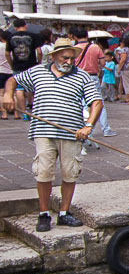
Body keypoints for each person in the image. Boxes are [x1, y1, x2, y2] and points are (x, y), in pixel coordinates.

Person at [2, 38, 102, 232]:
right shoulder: (38, 71)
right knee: (43, 172)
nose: (69, 62)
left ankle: (64, 213)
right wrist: (8, 95)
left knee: (70, 172)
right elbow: (13, 80)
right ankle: (44, 213)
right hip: (43, 131)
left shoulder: (82, 76)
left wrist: (88, 126)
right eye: (65, 58)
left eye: (72, 58)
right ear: (54, 56)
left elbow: (96, 102)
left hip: (71, 132)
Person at [69, 27, 116, 138]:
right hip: (92, 77)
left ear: (75, 37)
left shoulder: (74, 49)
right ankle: (106, 129)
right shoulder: (95, 47)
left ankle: (83, 128)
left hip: (78, 77)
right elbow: (102, 62)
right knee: (98, 103)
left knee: (81, 103)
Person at [0, 33, 11, 120]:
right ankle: (15, 113)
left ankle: (4, 113)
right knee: (13, 92)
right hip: (11, 71)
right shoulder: (11, 46)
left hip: (1, 71)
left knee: (1, 94)